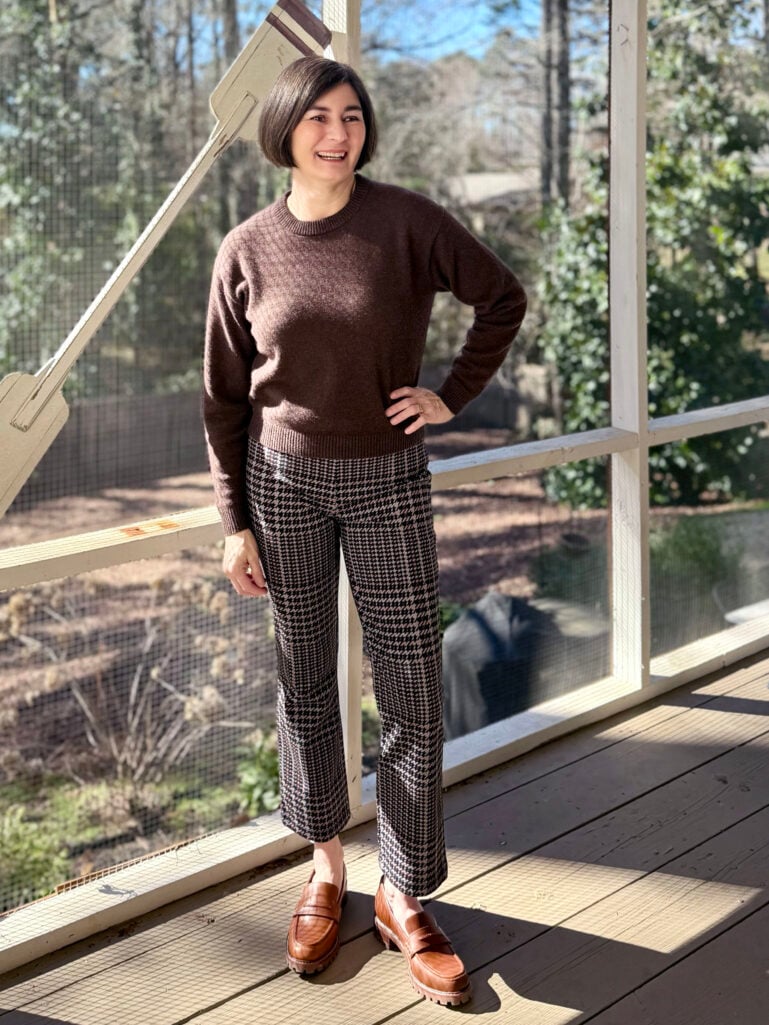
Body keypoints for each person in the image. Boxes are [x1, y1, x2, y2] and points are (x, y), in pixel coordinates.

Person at [202, 55, 526, 1007]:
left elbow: (500, 298)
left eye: (352, 116)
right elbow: (224, 400)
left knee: (413, 693)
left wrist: (450, 395)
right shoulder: (246, 248)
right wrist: (234, 521)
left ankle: (403, 891)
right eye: (318, 118)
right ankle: (324, 868)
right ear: (285, 130)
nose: (338, 133)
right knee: (303, 678)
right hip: (282, 485)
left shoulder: (408, 223)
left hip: (387, 481)